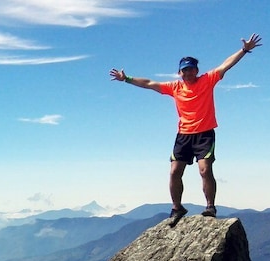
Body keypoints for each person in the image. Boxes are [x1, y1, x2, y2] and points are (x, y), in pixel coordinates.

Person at [110, 33, 262, 223]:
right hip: (183, 135)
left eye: (191, 69)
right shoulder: (175, 87)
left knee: (205, 170)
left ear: (196, 70)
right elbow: (149, 83)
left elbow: (226, 65)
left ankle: (210, 207)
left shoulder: (208, 80)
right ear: (179, 73)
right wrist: (127, 79)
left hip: (205, 134)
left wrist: (244, 50)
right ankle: (177, 208)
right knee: (174, 172)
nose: (188, 73)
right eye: (184, 70)